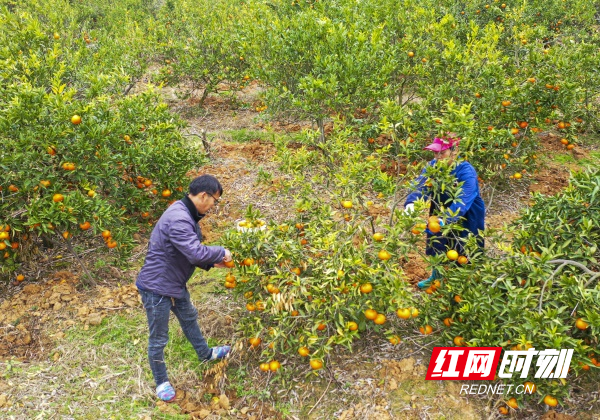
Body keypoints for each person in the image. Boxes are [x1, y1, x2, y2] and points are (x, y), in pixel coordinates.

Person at [136, 174, 233, 402]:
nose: (213, 206)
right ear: (203, 195)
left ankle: (205, 354)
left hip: (173, 282)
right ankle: (161, 382)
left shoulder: (185, 212)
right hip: (157, 287)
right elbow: (194, 251)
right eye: (214, 201)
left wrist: (210, 262)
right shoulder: (179, 217)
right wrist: (222, 252)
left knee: (189, 317)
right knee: (158, 337)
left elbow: (185, 251)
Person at [404, 135, 485, 289]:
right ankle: (437, 277)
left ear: (454, 152)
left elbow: (463, 200)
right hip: (440, 207)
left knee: (465, 245)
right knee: (437, 242)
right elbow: (421, 185)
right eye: (435, 153)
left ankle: (466, 282)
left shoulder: (465, 170)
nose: (437, 157)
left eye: (442, 153)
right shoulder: (432, 166)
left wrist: (446, 219)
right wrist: (411, 203)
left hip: (467, 212)